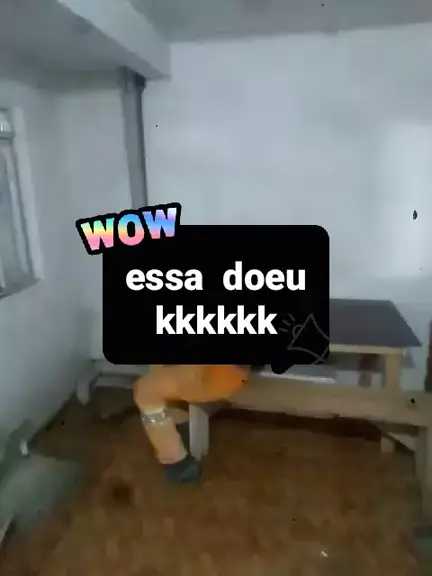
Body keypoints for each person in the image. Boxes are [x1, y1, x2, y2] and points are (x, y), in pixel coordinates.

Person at [133, 365, 250, 483]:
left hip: (217, 373)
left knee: (145, 391)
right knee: (160, 379)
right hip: (216, 373)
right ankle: (181, 431)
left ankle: (178, 463)